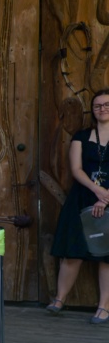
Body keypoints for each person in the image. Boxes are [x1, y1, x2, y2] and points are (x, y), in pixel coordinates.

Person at [48, 89, 109, 323]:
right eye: (97, 106)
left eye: (106, 105)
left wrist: (106, 198)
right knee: (72, 252)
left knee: (107, 256)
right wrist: (98, 192)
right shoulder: (81, 137)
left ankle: (103, 307)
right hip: (83, 197)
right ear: (92, 111)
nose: (102, 109)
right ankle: (59, 299)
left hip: (108, 199)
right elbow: (76, 169)